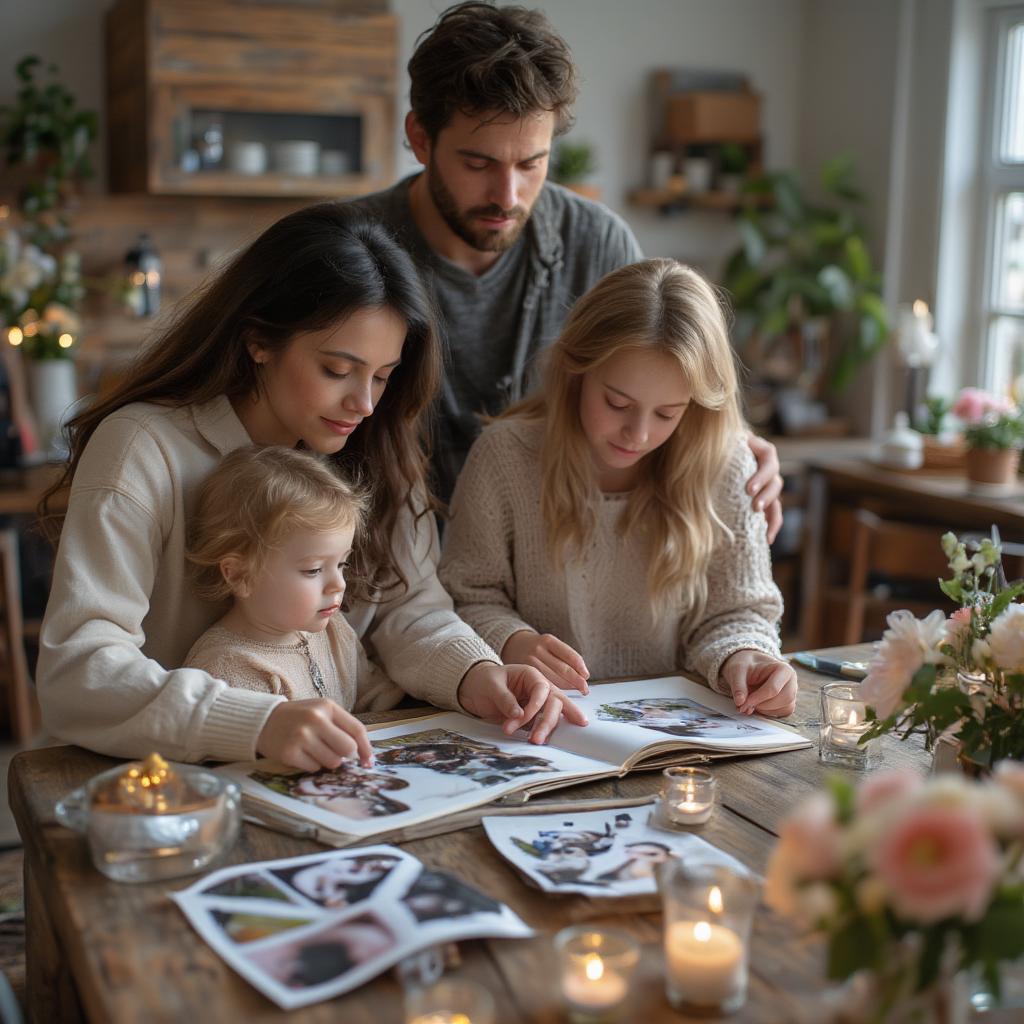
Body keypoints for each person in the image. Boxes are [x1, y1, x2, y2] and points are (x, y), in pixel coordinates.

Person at [35, 203, 586, 771]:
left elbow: (412, 610)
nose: (365, 403)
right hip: (171, 786)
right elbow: (79, 669)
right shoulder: (141, 447)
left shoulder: (377, 442)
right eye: (337, 369)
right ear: (259, 341)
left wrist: (475, 673)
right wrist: (256, 721)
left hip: (339, 771)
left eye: (382, 375)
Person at [347, 0, 784, 535]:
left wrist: (734, 441)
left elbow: (662, 378)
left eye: (531, 163)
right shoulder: (349, 245)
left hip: (543, 566)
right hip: (382, 569)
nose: (507, 195)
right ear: (420, 138)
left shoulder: (597, 244)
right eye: (478, 163)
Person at [438, 259, 798, 718]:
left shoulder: (726, 465)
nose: (638, 434)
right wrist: (513, 641)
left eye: (668, 413)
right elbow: (466, 595)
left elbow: (738, 611)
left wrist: (745, 656)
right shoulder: (504, 457)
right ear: (576, 370)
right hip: (542, 723)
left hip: (671, 735)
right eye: (617, 403)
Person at [183, 445, 400, 752]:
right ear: (239, 576)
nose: (338, 584)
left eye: (341, 564)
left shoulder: (335, 631)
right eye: (313, 570)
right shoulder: (226, 667)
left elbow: (375, 697)